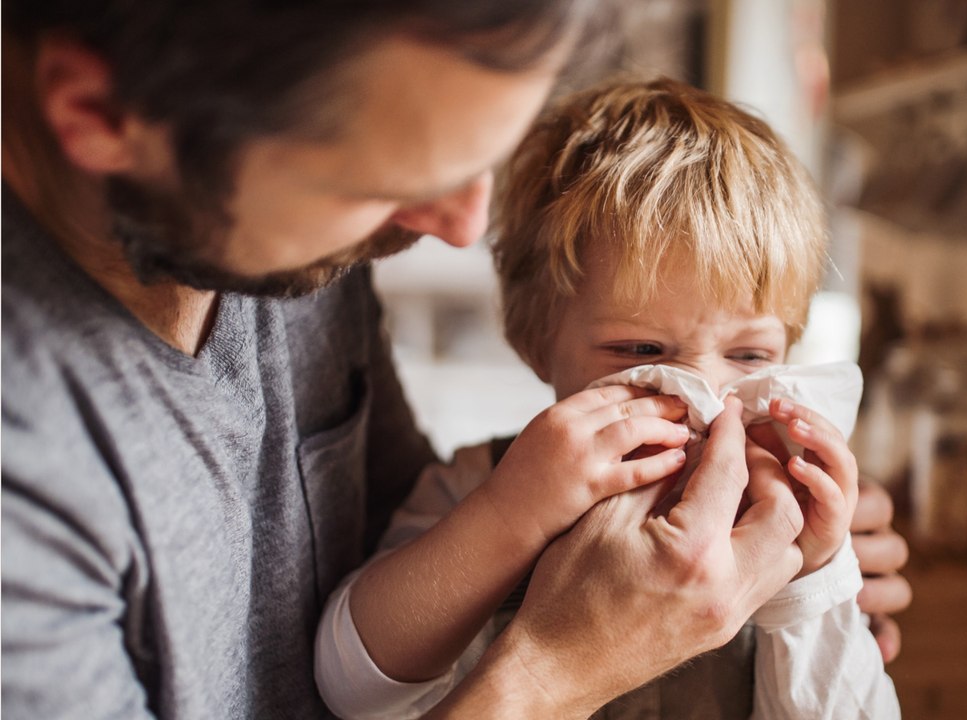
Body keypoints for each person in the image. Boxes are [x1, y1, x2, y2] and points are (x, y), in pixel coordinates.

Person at [1, 2, 910, 718]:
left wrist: (817, 585)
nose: (463, 229)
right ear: (100, 116)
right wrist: (560, 667)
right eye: (383, 180)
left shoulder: (293, 248)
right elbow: (361, 659)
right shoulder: (27, 486)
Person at [314, 77, 900, 720]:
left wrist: (813, 580)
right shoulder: (483, 484)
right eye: (642, 353)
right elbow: (352, 688)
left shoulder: (785, 512)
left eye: (749, 356)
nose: (707, 398)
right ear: (537, 342)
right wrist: (511, 514)